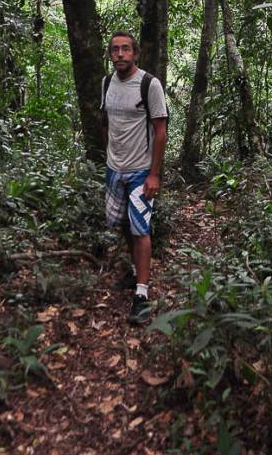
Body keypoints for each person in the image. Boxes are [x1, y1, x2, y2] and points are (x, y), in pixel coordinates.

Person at [101, 31, 167, 325]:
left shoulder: (149, 84)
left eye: (125, 49)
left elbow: (161, 131)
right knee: (121, 223)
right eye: (115, 50)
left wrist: (154, 174)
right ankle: (133, 270)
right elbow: (109, 123)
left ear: (135, 53)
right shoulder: (107, 83)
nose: (120, 54)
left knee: (141, 229)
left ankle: (141, 293)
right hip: (114, 168)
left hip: (141, 170)